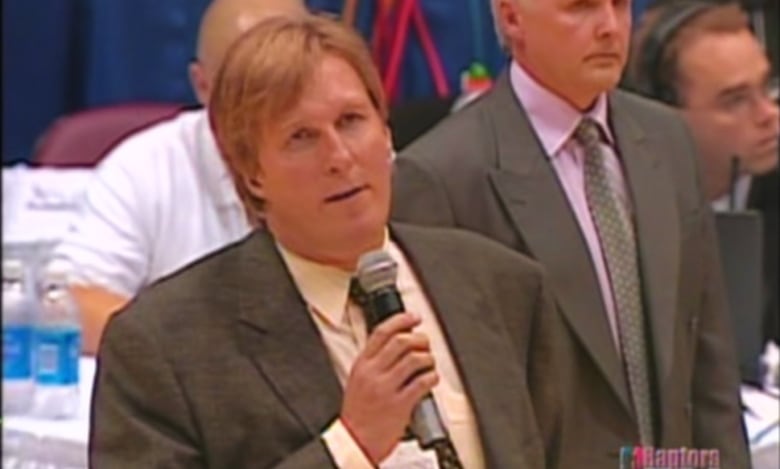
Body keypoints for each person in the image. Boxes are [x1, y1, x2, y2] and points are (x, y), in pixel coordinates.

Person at [89, 15, 567, 469]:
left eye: (352, 121)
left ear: (386, 132)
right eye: (301, 137)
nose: (339, 157)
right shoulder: (164, 346)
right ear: (252, 173)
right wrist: (350, 446)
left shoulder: (504, 287)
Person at [390, 0, 750, 467]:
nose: (608, 28)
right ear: (512, 17)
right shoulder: (442, 176)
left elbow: (708, 361)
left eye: (619, 5)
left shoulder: (668, 137)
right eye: (579, 8)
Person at [52, 0, 308, 354]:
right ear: (202, 85)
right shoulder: (145, 167)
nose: (273, 107)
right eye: (247, 88)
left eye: (291, 82)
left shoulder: (352, 160)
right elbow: (72, 302)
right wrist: (203, 358)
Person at [628, 0, 779, 346]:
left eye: (766, 87)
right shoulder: (626, 212)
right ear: (666, 117)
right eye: (735, 100)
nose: (768, 114)